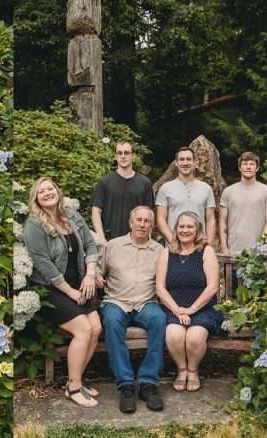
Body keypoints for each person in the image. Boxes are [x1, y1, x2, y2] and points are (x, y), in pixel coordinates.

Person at [23, 177, 102, 407]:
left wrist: (91, 272)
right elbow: (44, 266)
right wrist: (71, 292)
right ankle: (74, 388)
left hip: (79, 283)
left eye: (50, 188)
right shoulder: (34, 226)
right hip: (52, 290)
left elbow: (89, 244)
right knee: (84, 329)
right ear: (36, 199)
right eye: (41, 191)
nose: (47, 193)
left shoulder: (71, 215)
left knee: (96, 328)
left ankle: (74, 379)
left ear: (57, 191)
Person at [99, 206, 166, 413]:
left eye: (147, 221)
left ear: (152, 226)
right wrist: (94, 277)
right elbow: (98, 273)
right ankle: (126, 385)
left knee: (159, 319)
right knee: (111, 321)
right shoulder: (113, 246)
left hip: (146, 303)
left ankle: (148, 383)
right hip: (116, 301)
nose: (142, 224)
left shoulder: (159, 250)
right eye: (138, 220)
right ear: (131, 223)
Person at [155, 211, 223, 393]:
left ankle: (193, 371)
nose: (185, 230)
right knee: (174, 335)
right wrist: (177, 310)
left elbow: (213, 287)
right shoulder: (167, 252)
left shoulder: (206, 251)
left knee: (194, 337)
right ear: (176, 229)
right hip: (174, 308)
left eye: (190, 226)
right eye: (181, 226)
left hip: (203, 308)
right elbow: (160, 288)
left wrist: (191, 309)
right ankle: (181, 370)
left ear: (197, 230)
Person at [91, 141, 155, 246]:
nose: (123, 156)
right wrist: (102, 239)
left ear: (133, 156)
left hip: (137, 242)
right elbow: (96, 211)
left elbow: (150, 215)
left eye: (127, 153)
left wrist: (147, 240)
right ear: (115, 156)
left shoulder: (145, 183)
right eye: (119, 153)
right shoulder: (104, 182)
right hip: (110, 241)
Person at [219, 151, 267, 257]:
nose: (248, 167)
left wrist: (261, 246)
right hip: (233, 252)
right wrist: (224, 248)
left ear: (257, 168)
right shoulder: (228, 192)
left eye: (252, 164)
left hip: (258, 254)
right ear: (240, 168)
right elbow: (222, 221)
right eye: (245, 164)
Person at [156, 147, 216, 245]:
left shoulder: (206, 188)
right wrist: (172, 240)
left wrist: (209, 244)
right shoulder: (165, 188)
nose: (185, 163)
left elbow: (211, 220)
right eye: (181, 159)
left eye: (188, 159)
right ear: (176, 163)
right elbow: (160, 218)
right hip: (174, 246)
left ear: (195, 162)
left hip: (199, 245)